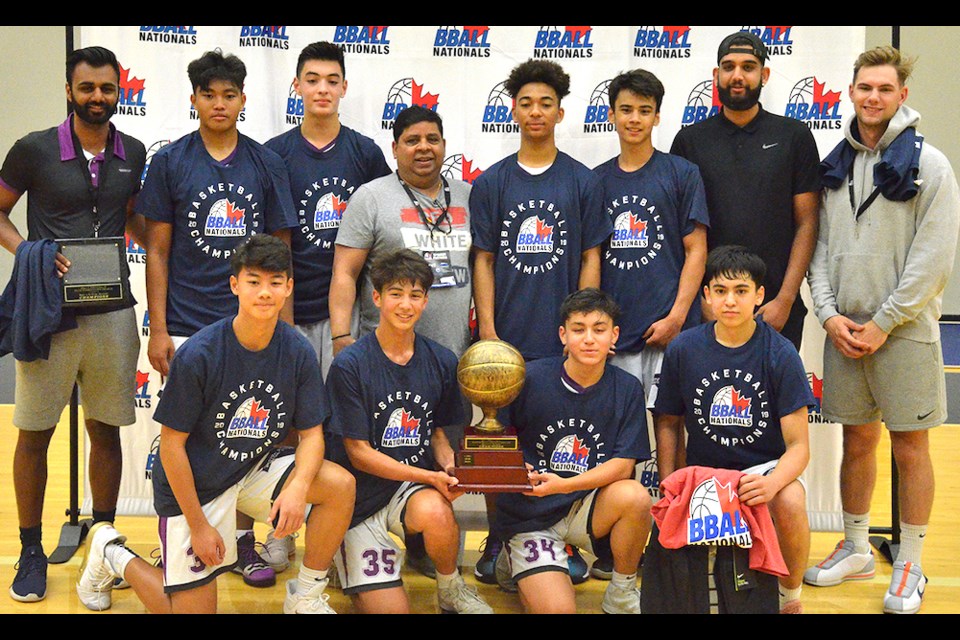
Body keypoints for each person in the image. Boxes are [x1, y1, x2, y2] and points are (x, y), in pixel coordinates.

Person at [75, 234, 355, 614]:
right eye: (254, 281)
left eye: (275, 282)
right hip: (195, 486)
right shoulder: (200, 354)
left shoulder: (297, 350)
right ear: (235, 285)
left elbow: (311, 435)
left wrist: (298, 486)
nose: (265, 293)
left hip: (250, 469)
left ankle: (304, 595)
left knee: (339, 485)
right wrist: (199, 524)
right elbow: (171, 447)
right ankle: (111, 552)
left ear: (289, 287)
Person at [804, 46, 960, 615]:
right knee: (856, 440)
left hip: (905, 333)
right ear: (851, 92)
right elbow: (817, 249)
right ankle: (855, 545)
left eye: (884, 89)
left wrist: (885, 321)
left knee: (911, 447)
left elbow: (933, 257)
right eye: (864, 87)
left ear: (902, 96)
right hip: (845, 333)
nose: (873, 97)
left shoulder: (932, 165)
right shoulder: (834, 164)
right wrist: (828, 315)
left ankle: (911, 561)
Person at [137, 49, 300, 588]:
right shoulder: (171, 162)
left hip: (254, 326)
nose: (219, 103)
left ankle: (245, 542)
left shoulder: (264, 163)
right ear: (194, 100)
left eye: (229, 94)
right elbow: (156, 250)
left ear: (243, 100)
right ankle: (180, 536)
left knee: (249, 433)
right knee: (189, 439)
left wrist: (288, 327)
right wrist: (158, 328)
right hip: (187, 321)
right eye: (209, 94)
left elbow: (280, 257)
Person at [0, 46, 146, 603]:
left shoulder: (131, 151)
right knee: (34, 432)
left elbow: (133, 216)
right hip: (48, 313)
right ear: (69, 90)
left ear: (118, 91)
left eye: (107, 89)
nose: (98, 98)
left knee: (105, 429)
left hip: (112, 314)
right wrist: (29, 251)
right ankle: (31, 550)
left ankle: (104, 545)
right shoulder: (33, 149)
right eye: (87, 88)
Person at [469, 58, 611, 585]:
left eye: (545, 103)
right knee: (498, 444)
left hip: (563, 341)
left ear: (559, 111)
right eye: (526, 102)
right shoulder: (492, 183)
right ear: (512, 109)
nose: (535, 112)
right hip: (505, 341)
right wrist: (488, 332)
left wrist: (583, 329)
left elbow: (591, 256)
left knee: (556, 440)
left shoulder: (581, 181)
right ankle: (499, 536)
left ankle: (559, 537)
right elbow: (482, 258)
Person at [328, 104, 473, 578]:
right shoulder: (371, 198)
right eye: (412, 140)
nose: (423, 148)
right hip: (383, 358)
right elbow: (346, 272)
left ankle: (422, 546)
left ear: (444, 146)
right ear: (395, 148)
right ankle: (349, 537)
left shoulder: (469, 196)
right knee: (381, 448)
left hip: (448, 357)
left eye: (432, 139)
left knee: (438, 448)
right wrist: (342, 334)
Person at [264, 40, 391, 573]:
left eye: (330, 79)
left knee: (346, 427)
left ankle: (343, 533)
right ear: (296, 87)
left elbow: (381, 239)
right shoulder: (275, 153)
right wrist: (282, 325)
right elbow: (274, 244)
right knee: (288, 425)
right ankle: (277, 533)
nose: (321, 88)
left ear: (344, 87)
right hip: (294, 312)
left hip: (352, 321)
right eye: (310, 79)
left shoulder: (365, 153)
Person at [324, 248, 492, 614]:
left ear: (426, 301)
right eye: (396, 294)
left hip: (408, 489)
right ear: (377, 297)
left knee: (437, 511)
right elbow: (358, 452)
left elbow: (437, 433)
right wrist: (429, 475)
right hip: (357, 499)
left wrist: (449, 468)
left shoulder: (442, 359)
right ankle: (340, 556)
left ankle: (450, 587)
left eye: (415, 295)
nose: (405, 304)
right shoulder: (350, 365)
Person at [592, 68, 709, 579]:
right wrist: (597, 324)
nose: (634, 118)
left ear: (658, 116)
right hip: (612, 337)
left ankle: (671, 534)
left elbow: (695, 248)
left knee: (669, 429)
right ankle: (607, 542)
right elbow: (590, 253)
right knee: (609, 437)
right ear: (611, 114)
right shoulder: (594, 178)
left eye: (645, 110)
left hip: (666, 329)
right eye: (626, 109)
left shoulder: (681, 173)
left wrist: (679, 314)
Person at [655, 245, 815, 614]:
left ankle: (789, 598)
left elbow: (799, 448)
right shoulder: (683, 348)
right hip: (704, 474)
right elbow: (668, 422)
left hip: (761, 471)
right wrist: (670, 483)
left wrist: (772, 484)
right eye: (721, 291)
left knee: (790, 499)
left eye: (741, 291)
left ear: (759, 296)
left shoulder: (781, 353)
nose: (730, 301)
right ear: (707, 295)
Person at [491, 288, 650, 614]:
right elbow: (496, 444)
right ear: (563, 335)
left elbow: (623, 466)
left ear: (614, 335)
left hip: (584, 505)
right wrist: (517, 469)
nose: (589, 339)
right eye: (579, 329)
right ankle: (511, 556)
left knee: (635, 496)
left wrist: (564, 485)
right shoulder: (528, 378)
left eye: (599, 329)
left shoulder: (628, 387)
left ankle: (621, 591)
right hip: (531, 513)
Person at [670, 30, 820, 350]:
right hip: (709, 310)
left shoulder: (795, 136)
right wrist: (699, 300)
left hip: (777, 311)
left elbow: (807, 223)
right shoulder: (689, 141)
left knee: (778, 401)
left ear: (764, 75)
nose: (737, 76)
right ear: (716, 75)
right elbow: (680, 233)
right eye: (728, 66)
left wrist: (786, 299)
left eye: (748, 67)